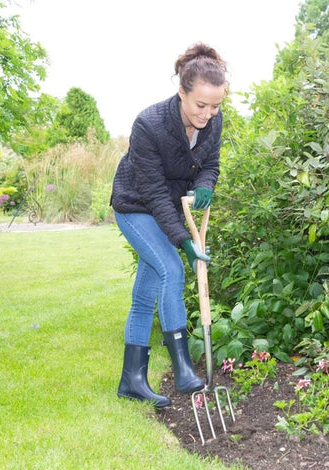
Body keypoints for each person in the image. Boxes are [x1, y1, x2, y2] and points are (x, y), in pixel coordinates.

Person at [110, 43, 228, 407]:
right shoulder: (150, 124)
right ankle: (183, 370)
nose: (208, 114)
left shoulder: (213, 122)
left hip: (164, 210)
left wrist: (206, 184)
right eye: (200, 105)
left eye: (215, 106)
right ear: (182, 92)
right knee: (173, 270)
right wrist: (183, 240)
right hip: (135, 206)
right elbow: (155, 191)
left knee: (145, 294)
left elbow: (210, 163)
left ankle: (132, 381)